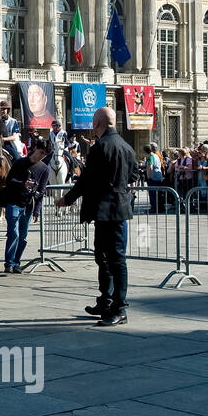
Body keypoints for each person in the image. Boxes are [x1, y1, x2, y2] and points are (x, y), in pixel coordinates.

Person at [55, 107, 135, 325]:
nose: (91, 125)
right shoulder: (127, 146)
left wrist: (66, 199)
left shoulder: (101, 147)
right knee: (103, 256)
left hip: (109, 210)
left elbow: (86, 180)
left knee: (115, 259)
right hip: (115, 209)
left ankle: (120, 308)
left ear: (98, 123)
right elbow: (135, 173)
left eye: (92, 121)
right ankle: (106, 300)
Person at [0, 136, 50, 273]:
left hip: (28, 205)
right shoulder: (20, 162)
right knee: (13, 233)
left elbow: (42, 190)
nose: (42, 156)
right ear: (35, 149)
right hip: (13, 202)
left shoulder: (44, 169)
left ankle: (16, 262)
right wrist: (23, 184)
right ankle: (9, 263)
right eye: (41, 152)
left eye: (45, 154)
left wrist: (37, 211)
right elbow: (9, 180)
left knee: (23, 236)